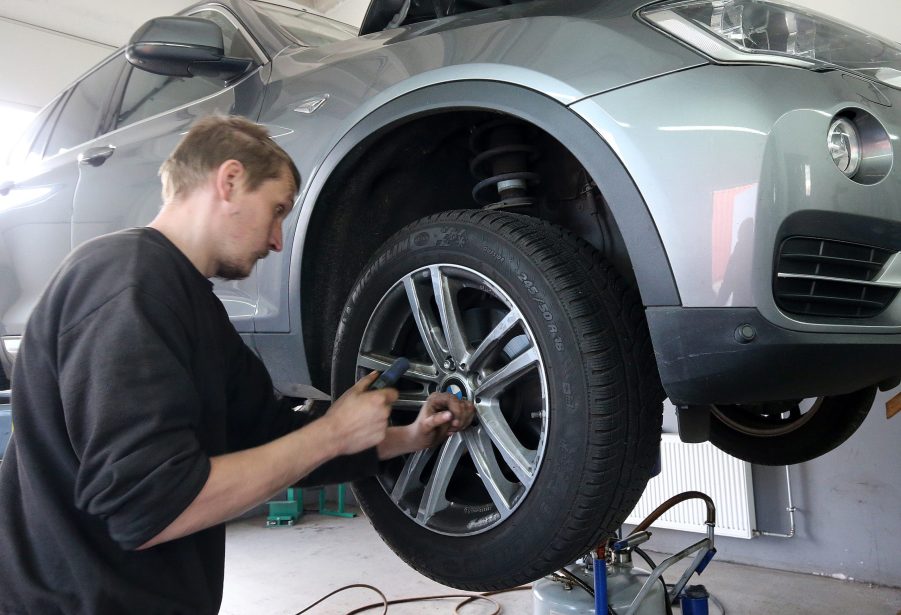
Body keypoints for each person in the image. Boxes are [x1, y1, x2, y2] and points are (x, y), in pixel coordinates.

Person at [0, 115, 475, 615]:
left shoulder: (193, 307)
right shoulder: (126, 284)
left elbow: (272, 444)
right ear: (228, 181)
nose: (277, 240)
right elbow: (148, 510)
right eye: (276, 210)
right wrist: (333, 432)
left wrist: (410, 435)